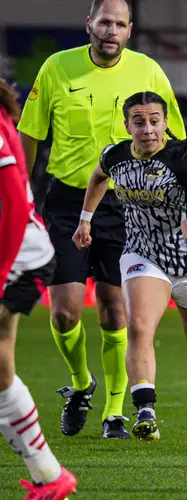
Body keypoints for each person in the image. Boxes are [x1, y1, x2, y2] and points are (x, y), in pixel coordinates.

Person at [17, 0, 186, 440]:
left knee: (114, 312)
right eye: (105, 21)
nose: (112, 30)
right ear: (89, 23)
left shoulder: (148, 71)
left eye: (121, 24)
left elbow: (175, 139)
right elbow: (30, 134)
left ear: (130, 30)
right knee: (64, 313)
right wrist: (21, 188)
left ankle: (114, 413)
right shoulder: (57, 68)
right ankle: (80, 385)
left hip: (130, 203)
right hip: (67, 200)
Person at [72, 91, 187, 442]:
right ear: (126, 125)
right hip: (143, 255)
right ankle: (145, 410)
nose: (147, 129)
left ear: (165, 123)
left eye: (153, 121)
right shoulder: (114, 155)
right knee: (139, 327)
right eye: (139, 121)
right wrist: (85, 219)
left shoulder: (182, 158)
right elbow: (97, 178)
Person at [0, 78, 77, 500]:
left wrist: (0, 275)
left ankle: (51, 476)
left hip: (20, 259)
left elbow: (13, 200)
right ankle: (50, 477)